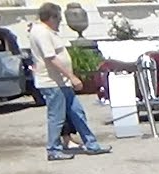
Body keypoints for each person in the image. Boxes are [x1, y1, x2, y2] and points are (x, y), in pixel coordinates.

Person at [29, 2, 111, 161]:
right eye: (58, 18)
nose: (60, 21)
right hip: (52, 82)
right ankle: (53, 149)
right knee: (57, 117)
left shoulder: (48, 32)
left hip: (61, 82)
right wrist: (72, 76)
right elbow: (51, 58)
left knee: (77, 112)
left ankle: (92, 144)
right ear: (51, 17)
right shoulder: (41, 33)